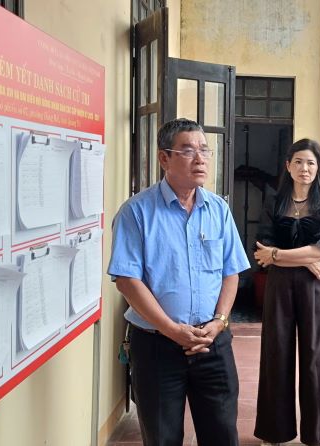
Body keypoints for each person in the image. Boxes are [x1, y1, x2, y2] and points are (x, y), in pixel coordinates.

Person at [107, 118, 249, 445]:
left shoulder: (218, 209)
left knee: (223, 435)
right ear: (164, 158)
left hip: (212, 342)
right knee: (162, 436)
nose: (199, 159)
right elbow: (127, 281)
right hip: (157, 346)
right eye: (187, 150)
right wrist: (173, 330)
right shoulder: (136, 212)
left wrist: (221, 321)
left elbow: (231, 271)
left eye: (204, 150)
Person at [253, 138, 320, 446]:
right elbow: (262, 248)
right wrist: (309, 260)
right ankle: (274, 432)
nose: (306, 168)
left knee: (318, 356)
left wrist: (280, 257)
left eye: (312, 163)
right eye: (300, 162)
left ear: (319, 169)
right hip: (281, 286)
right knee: (276, 355)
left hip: (314, 287)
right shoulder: (273, 201)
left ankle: (318, 433)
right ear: (288, 166)